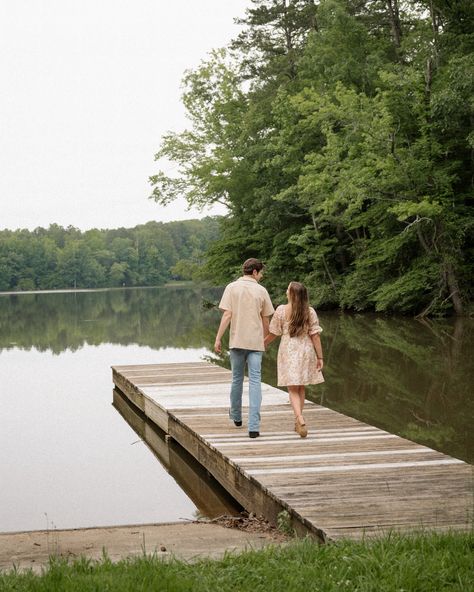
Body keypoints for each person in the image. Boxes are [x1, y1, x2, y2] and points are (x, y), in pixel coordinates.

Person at [214, 258, 275, 438]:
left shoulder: (231, 288)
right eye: (261, 272)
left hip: (237, 342)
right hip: (255, 343)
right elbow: (266, 319)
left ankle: (237, 416)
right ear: (255, 272)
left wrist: (218, 338)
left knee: (237, 379)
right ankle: (254, 427)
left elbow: (227, 315)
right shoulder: (261, 290)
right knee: (255, 381)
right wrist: (265, 339)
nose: (262, 276)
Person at [264, 281, 324, 438]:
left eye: (287, 289)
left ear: (291, 294)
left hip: (289, 350)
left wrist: (263, 343)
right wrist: (320, 357)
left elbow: (274, 332)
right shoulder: (309, 311)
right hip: (306, 349)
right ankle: (298, 422)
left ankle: (300, 418)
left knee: (292, 388)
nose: (285, 291)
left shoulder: (281, 310)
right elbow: (315, 336)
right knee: (301, 387)